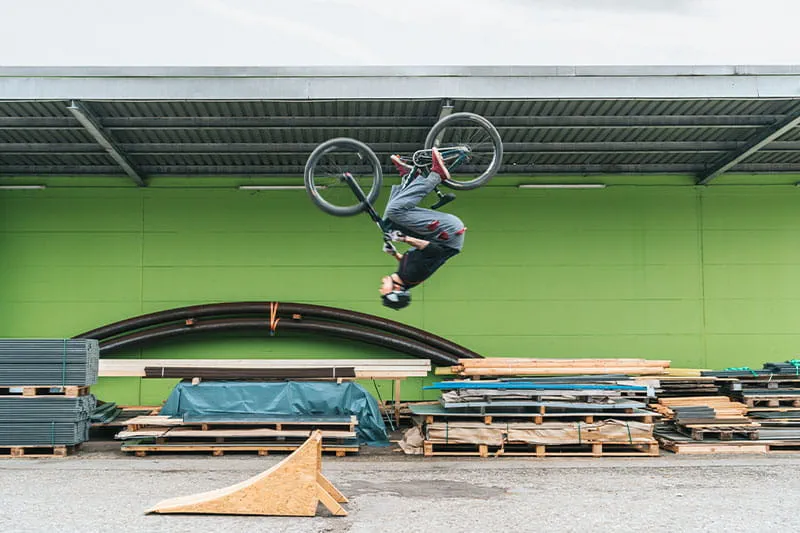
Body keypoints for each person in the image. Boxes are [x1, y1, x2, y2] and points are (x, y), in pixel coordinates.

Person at [379, 147, 467, 310]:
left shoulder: (406, 276)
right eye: (383, 292)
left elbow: (413, 261)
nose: (380, 290)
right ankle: (436, 176)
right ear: (396, 289)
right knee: (394, 212)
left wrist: (394, 253)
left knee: (388, 223)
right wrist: (404, 238)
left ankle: (410, 177)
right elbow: (434, 251)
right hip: (447, 235)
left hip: (443, 234)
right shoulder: (411, 276)